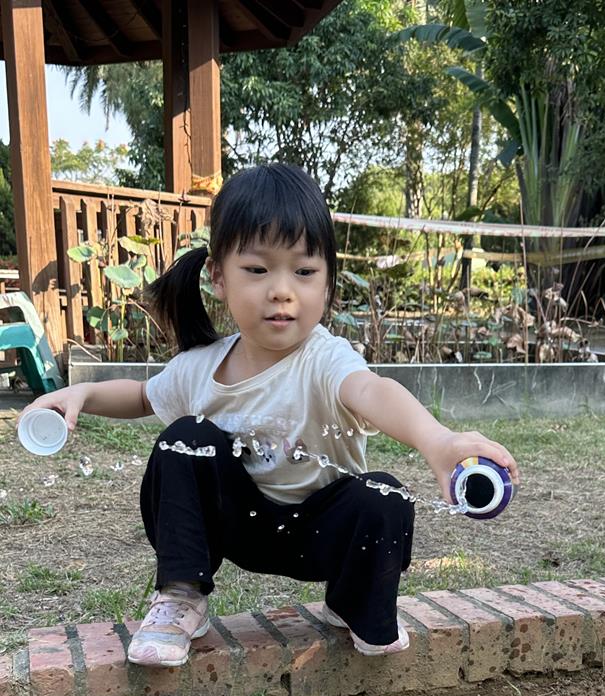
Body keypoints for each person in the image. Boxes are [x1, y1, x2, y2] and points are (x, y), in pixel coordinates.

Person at [21, 164, 519, 667]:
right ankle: (180, 596)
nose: (282, 290)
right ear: (218, 277)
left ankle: (354, 601)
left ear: (327, 282)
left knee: (384, 494)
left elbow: (372, 390)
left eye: (304, 272)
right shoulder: (201, 367)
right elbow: (143, 397)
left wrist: (437, 440)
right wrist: (82, 393)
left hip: (320, 533)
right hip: (239, 527)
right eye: (258, 270)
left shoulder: (326, 358)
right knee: (185, 438)